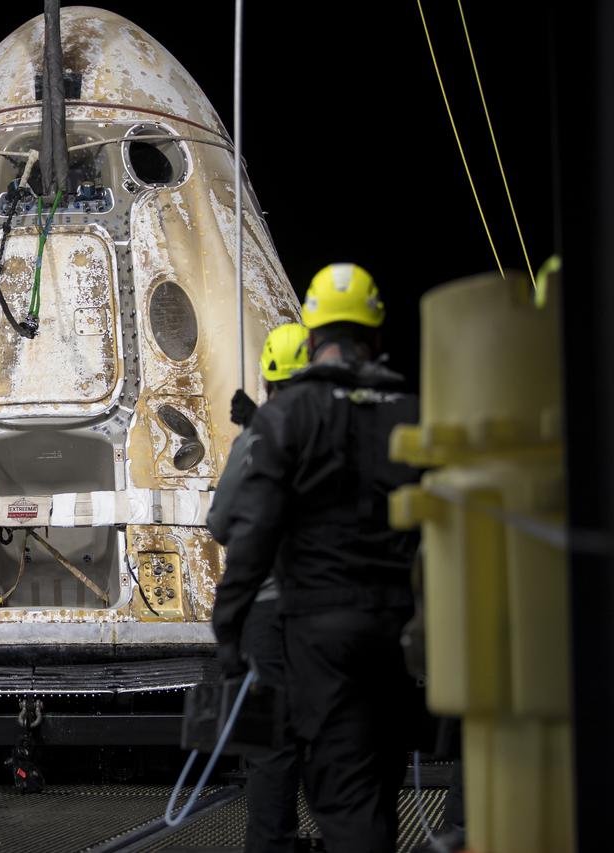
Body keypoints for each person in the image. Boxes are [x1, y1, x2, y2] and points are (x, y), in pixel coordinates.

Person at [211, 263, 423, 853]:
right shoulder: (411, 409)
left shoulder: (285, 417)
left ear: (313, 335)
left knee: (325, 780)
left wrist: (228, 624)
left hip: (314, 629)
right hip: (397, 627)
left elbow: (245, 529)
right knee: (375, 780)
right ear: (376, 335)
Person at [207, 322, 309, 853]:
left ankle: (272, 844)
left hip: (266, 615)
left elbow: (221, 523)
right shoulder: (341, 429)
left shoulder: (256, 441)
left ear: (268, 381)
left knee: (269, 746)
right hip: (332, 613)